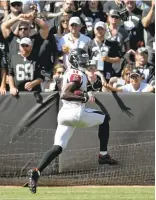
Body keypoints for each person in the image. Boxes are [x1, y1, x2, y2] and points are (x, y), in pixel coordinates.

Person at [28, 48, 118, 194]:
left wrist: (91, 89)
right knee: (104, 119)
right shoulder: (77, 74)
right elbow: (66, 94)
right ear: (75, 60)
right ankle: (103, 155)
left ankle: (36, 172)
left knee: (57, 147)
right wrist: (84, 97)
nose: (84, 61)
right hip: (76, 112)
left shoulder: (69, 73)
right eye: (82, 59)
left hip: (63, 115)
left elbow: (79, 87)